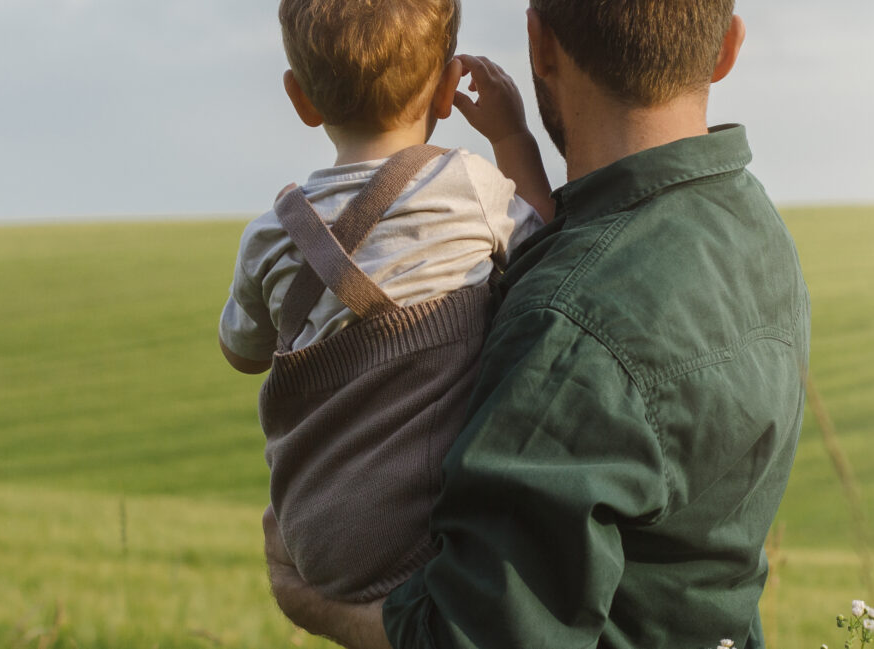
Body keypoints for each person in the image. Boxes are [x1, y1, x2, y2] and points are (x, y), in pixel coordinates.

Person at [262, 1, 812, 647]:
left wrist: (309, 601)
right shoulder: (748, 222)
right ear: (727, 49)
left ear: (539, 45)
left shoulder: (569, 327)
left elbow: (475, 634)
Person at [216, 0, 558, 604]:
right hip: (442, 531)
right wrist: (511, 134)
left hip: (321, 544)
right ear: (449, 87)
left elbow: (242, 353)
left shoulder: (268, 235)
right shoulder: (470, 186)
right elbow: (546, 246)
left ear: (301, 98)